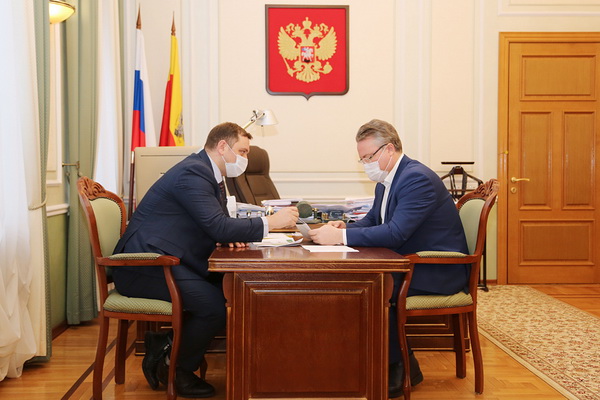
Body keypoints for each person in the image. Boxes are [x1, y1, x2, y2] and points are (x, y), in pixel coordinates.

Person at [112, 122, 298, 398]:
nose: (245, 159)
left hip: (169, 259)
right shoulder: (193, 172)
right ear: (222, 146)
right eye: (242, 151)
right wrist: (270, 222)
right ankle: (177, 370)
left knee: (232, 291)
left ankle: (166, 345)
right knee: (213, 307)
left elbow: (215, 224)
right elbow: (218, 226)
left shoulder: (209, 173)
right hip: (144, 265)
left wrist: (228, 235)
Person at [309, 119, 469, 398]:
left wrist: (340, 238)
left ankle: (398, 367)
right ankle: (393, 361)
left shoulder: (416, 179)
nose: (366, 164)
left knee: (373, 289)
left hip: (437, 269)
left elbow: (395, 233)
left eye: (368, 157)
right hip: (410, 263)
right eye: (362, 159)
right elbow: (374, 220)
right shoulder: (386, 180)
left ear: (389, 149)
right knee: (364, 284)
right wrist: (344, 227)